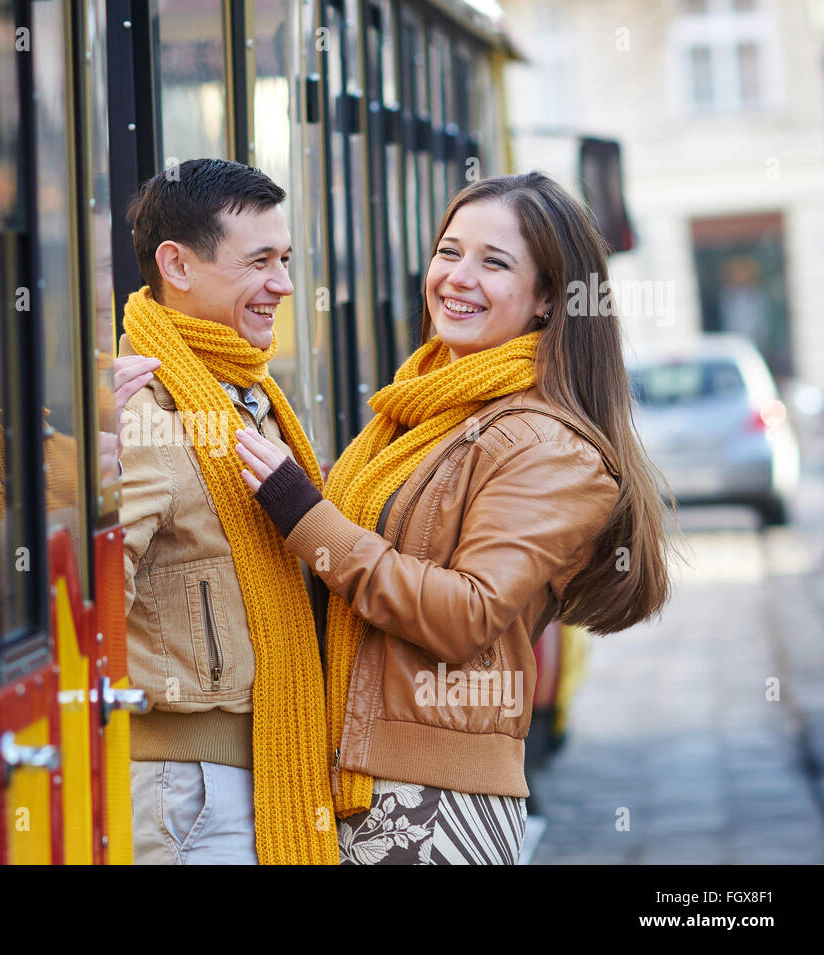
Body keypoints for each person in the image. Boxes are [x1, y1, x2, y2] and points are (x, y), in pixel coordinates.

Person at [236, 171, 672, 864]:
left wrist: (305, 515)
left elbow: (464, 615)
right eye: (449, 252)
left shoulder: (549, 446)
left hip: (432, 802)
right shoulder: (421, 411)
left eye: (494, 263)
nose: (457, 277)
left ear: (547, 300)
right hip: (364, 777)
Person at [116, 158, 338, 865]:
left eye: (287, 260)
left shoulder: (247, 395)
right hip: (190, 792)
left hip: (247, 776)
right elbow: (90, 597)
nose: (283, 283)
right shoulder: (143, 413)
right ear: (176, 265)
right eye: (260, 262)